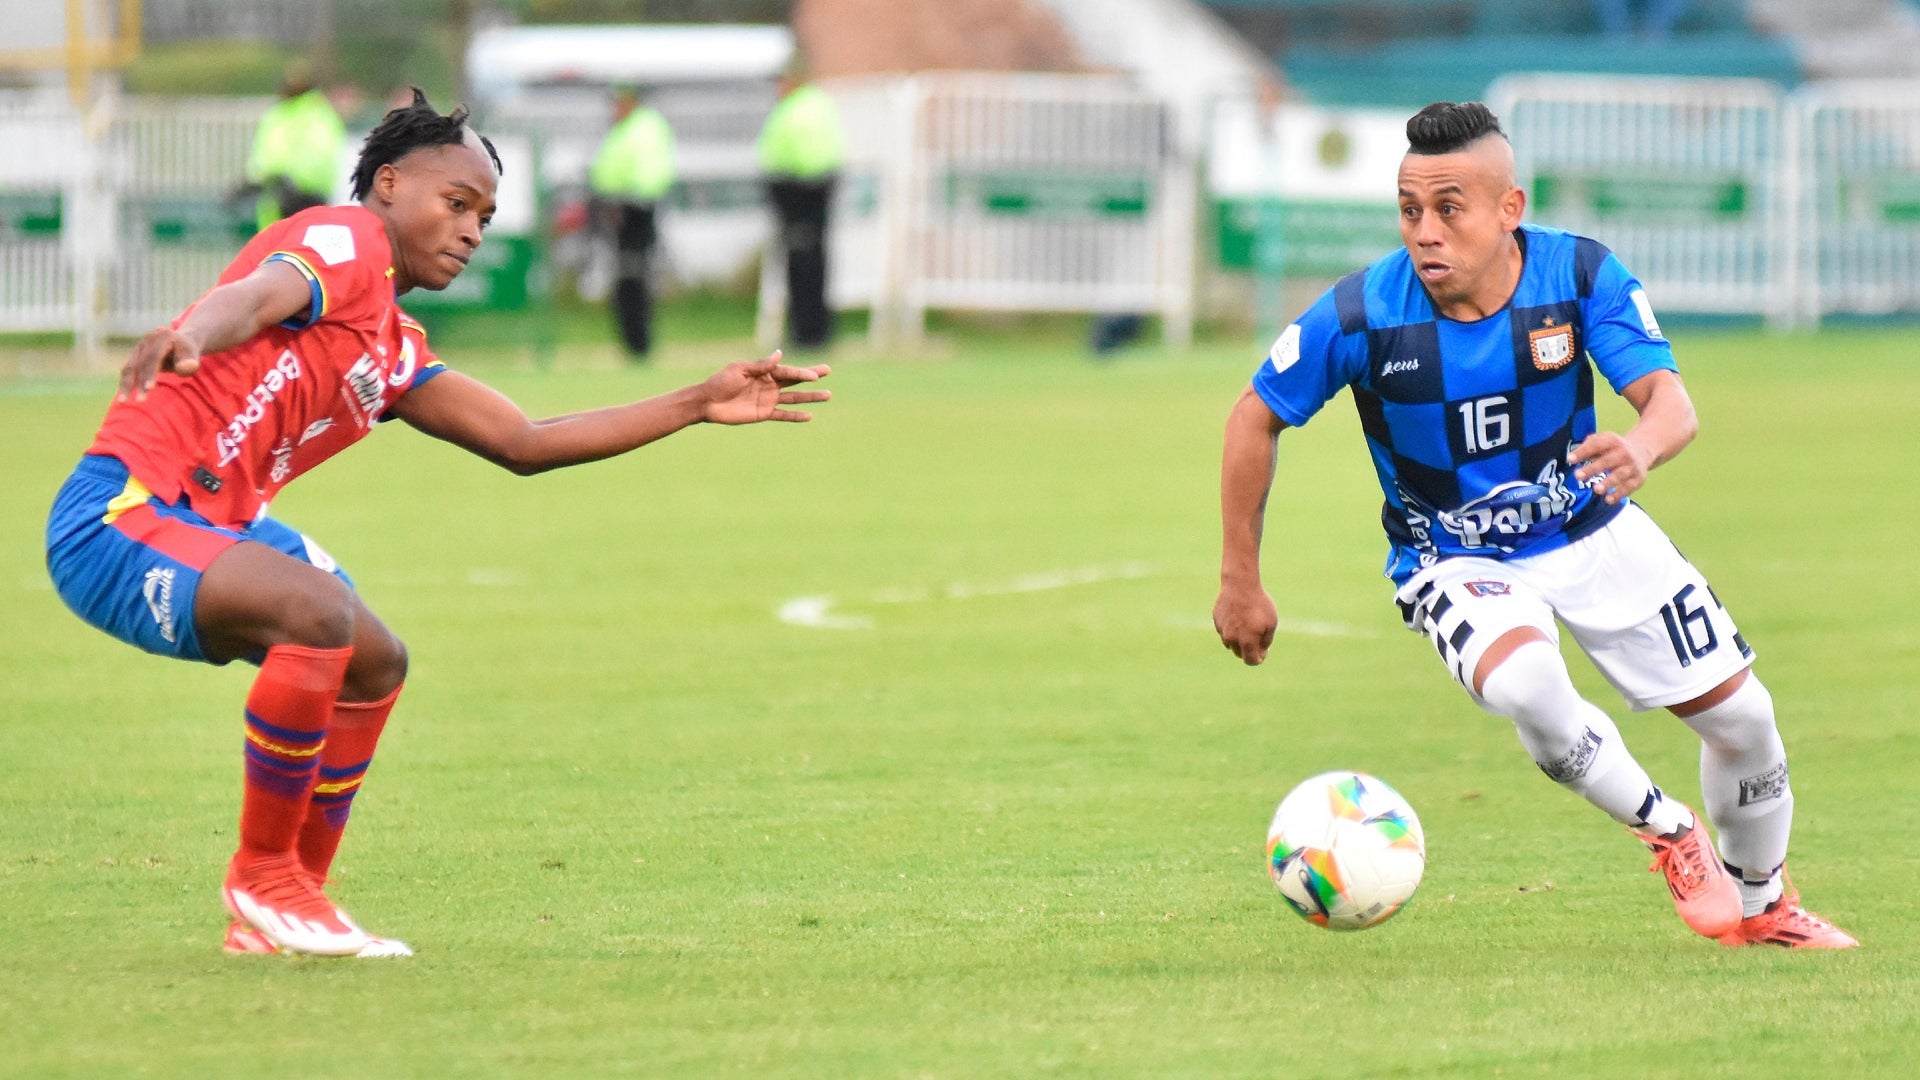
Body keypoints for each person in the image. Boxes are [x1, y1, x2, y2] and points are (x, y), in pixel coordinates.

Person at [44, 90, 831, 959]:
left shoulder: (391, 342)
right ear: (387, 184)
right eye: (456, 204)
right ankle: (263, 877)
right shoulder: (344, 241)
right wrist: (192, 334)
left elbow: (525, 442)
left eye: (486, 218)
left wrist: (694, 401)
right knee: (318, 614)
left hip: (208, 523)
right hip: (119, 515)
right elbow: (260, 294)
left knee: (374, 662)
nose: (471, 230)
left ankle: (285, 907)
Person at [1212, 101, 1855, 949]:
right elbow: (1254, 415)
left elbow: (1670, 405)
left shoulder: (1580, 275)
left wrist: (1642, 448)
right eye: (1410, 210)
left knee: (1746, 723)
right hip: (1453, 558)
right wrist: (1240, 578)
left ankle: (1763, 904)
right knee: (1526, 686)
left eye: (1450, 209)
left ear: (1510, 208)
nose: (1425, 233)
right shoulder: (1363, 312)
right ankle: (1668, 832)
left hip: (1592, 528)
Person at [757, 58, 844, 350]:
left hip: (805, 189)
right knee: (800, 261)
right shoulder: (804, 106)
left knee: (808, 262)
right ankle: (805, 329)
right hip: (798, 188)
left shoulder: (804, 108)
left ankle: (812, 331)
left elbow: (808, 153)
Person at [589, 87, 676, 359]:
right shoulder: (626, 129)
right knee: (626, 275)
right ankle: (632, 343)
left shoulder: (642, 129)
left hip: (636, 210)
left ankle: (639, 342)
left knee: (635, 275)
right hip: (622, 208)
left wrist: (624, 200)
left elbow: (644, 174)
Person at [244, 65, 347, 231]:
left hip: (304, 199)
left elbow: (320, 157)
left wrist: (293, 180)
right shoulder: (282, 114)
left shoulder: (315, 115)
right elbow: (265, 155)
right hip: (277, 197)